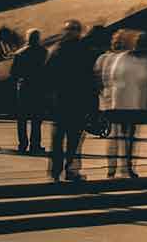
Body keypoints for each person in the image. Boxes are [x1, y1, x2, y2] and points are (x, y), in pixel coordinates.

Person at [95, 30, 147, 178]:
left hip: (128, 101)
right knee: (120, 135)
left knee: (123, 136)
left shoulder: (129, 58)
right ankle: (117, 168)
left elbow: (145, 77)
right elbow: (111, 78)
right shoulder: (117, 58)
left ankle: (122, 168)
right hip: (119, 102)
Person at [45, 19, 95, 182]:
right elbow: (90, 78)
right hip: (76, 100)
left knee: (58, 138)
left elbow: (46, 77)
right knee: (73, 140)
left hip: (60, 100)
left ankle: (55, 172)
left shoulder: (55, 50)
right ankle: (70, 170)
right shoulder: (83, 50)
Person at [12, 29, 48, 155]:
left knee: (22, 118)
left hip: (23, 87)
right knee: (36, 118)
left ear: (27, 38)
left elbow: (14, 73)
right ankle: (35, 145)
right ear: (38, 38)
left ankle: (22, 144)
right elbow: (46, 71)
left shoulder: (19, 53)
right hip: (38, 87)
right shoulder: (43, 52)